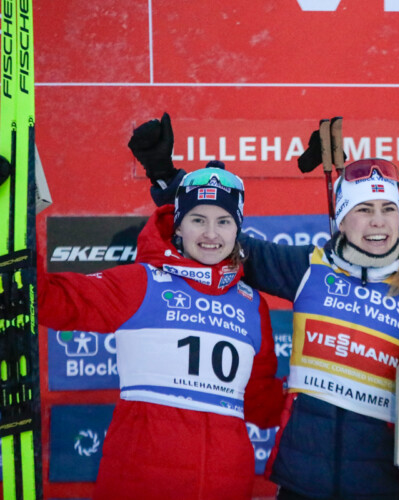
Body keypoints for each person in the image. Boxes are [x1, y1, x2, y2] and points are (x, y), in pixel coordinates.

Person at [128, 113, 399, 499]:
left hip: (382, 484)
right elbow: (220, 239)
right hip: (302, 480)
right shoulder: (309, 269)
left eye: (388, 209)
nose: (377, 222)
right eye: (363, 210)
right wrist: (169, 181)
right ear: (342, 220)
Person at [39, 165, 285, 499]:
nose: (211, 234)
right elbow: (51, 299)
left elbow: (262, 402)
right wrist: (15, 221)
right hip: (140, 484)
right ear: (179, 225)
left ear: (237, 228)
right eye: (198, 219)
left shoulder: (251, 304)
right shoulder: (142, 283)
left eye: (223, 221)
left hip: (227, 485)